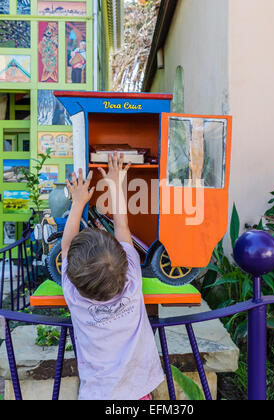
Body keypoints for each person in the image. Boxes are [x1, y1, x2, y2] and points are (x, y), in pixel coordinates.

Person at [61, 153, 164, 400]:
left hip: (96, 394)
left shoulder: (75, 296)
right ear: (123, 261)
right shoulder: (132, 282)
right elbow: (122, 228)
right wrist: (116, 185)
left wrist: (78, 203)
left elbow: (65, 246)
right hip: (138, 392)